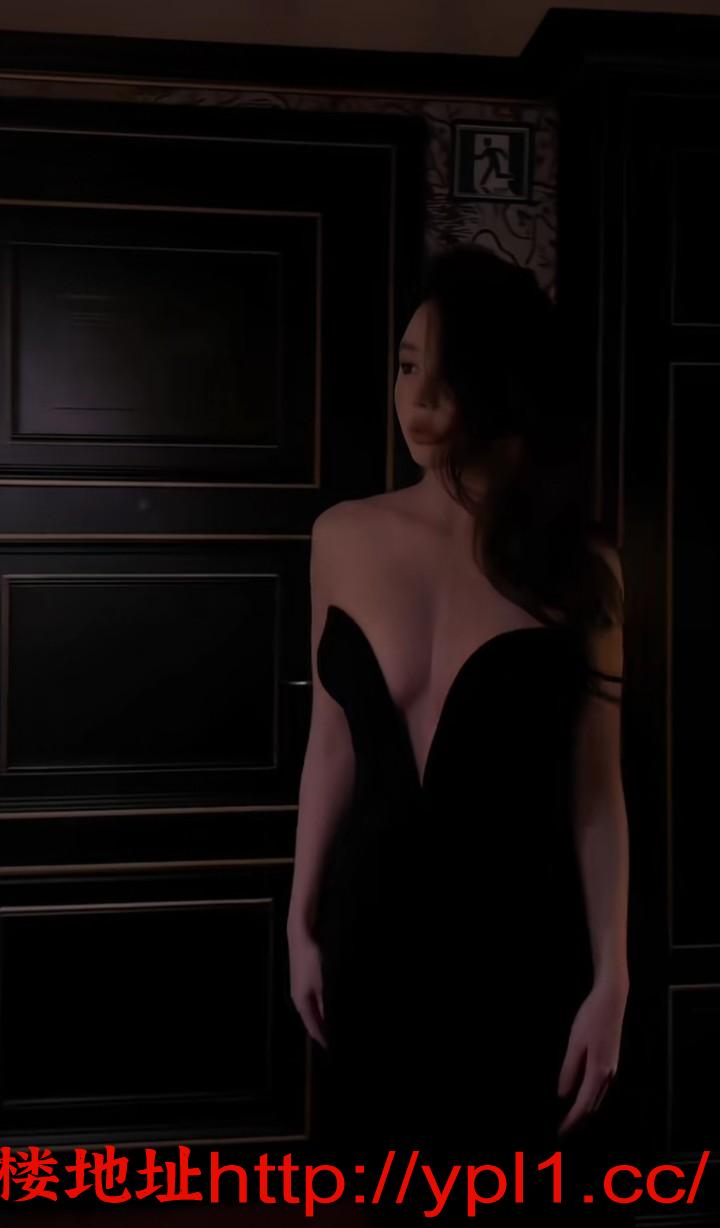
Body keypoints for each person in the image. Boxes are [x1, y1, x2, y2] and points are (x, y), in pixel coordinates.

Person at [287, 243, 631, 1226]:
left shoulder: (580, 564)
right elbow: (330, 744)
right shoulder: (342, 535)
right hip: (370, 939)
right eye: (406, 365)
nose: (418, 396)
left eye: (446, 371)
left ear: (502, 382)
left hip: (521, 950)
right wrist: (299, 922)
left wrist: (614, 975)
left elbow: (597, 792)